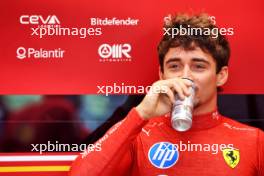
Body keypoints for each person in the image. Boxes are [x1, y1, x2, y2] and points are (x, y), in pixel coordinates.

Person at [69, 13, 264, 176]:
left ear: (221, 76)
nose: (185, 77)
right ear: (162, 75)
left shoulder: (254, 141)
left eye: (198, 66)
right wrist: (141, 114)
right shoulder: (139, 135)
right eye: (174, 66)